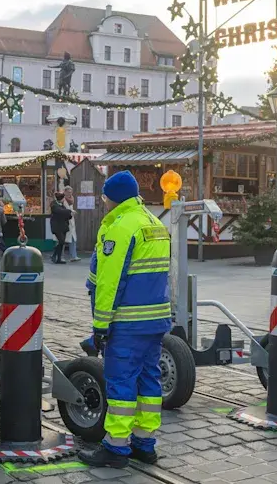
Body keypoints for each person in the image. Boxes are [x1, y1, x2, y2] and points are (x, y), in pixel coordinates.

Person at [77, 171, 171, 469]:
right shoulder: (154, 223)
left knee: (121, 384)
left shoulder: (121, 227)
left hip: (127, 323)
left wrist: (100, 326)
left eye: (105, 197)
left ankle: (116, 448)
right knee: (148, 380)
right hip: (154, 322)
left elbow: (109, 282)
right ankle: (144, 443)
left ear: (112, 198)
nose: (103, 202)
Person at [50, 192, 72, 265]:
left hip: (63, 226)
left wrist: (70, 215)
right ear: (61, 199)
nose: (64, 200)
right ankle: (54, 255)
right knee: (61, 241)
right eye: (63, 199)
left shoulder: (62, 205)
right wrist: (70, 211)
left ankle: (58, 258)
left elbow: (66, 214)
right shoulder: (54, 205)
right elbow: (60, 211)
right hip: (56, 226)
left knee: (62, 243)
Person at [64, 185, 80, 262]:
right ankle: (59, 256)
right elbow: (64, 210)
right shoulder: (63, 200)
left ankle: (74, 255)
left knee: (73, 239)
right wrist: (70, 212)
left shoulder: (71, 199)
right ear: (65, 192)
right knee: (62, 240)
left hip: (71, 221)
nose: (70, 194)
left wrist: (72, 212)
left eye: (71, 192)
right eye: (68, 192)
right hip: (65, 221)